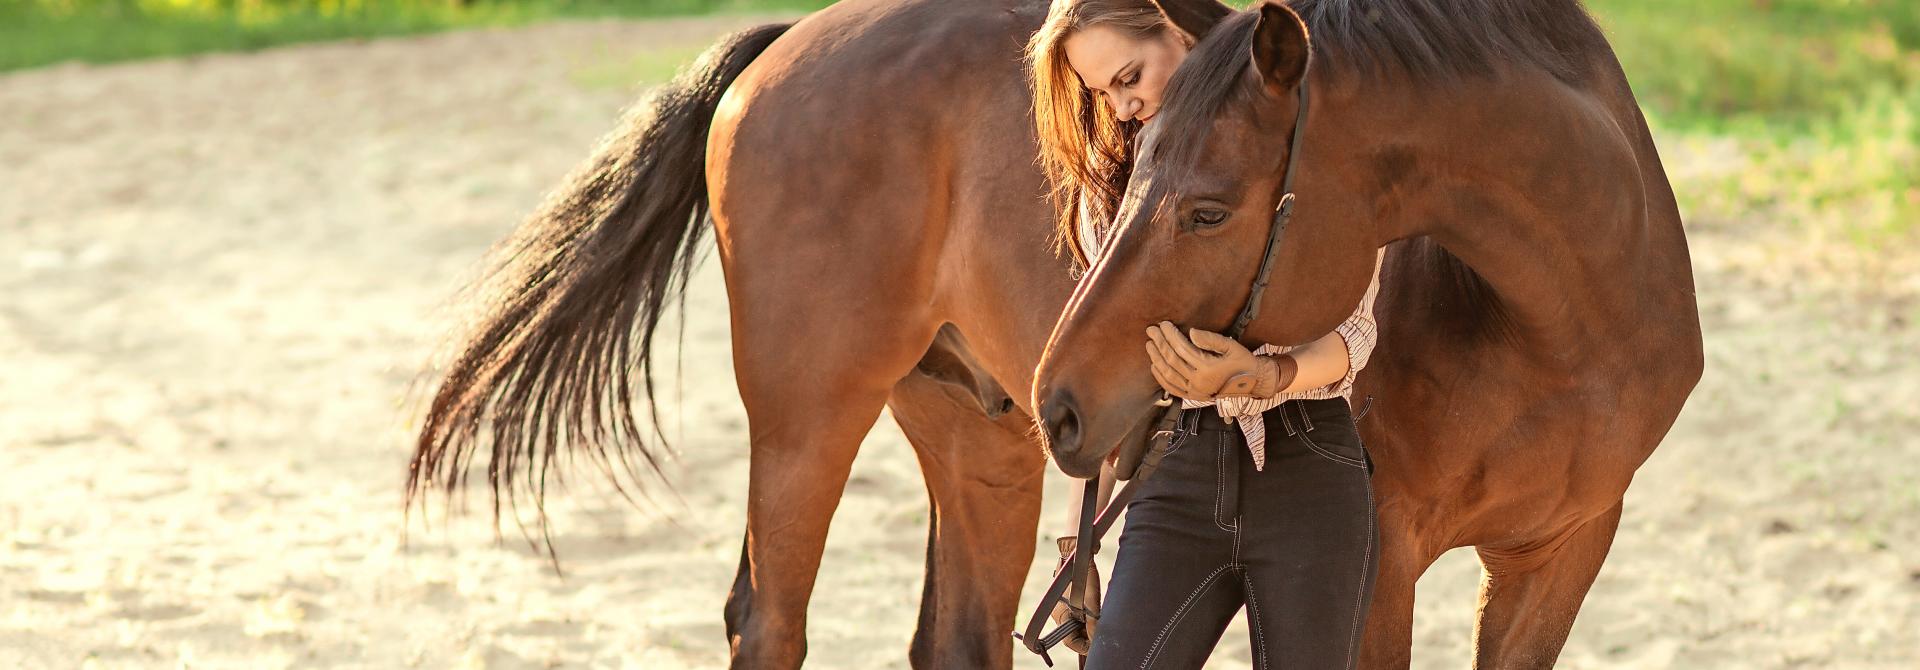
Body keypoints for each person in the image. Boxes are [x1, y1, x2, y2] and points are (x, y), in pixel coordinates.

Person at [1025, 1, 1385, 667]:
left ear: (1177, 30)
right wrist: (1074, 546)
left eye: (1130, 76)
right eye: (1105, 92)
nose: (1124, 105)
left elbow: (1356, 334)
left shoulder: (1301, 146)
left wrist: (1260, 376)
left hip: (1308, 468)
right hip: (1177, 472)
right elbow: (1111, 377)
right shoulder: (1106, 196)